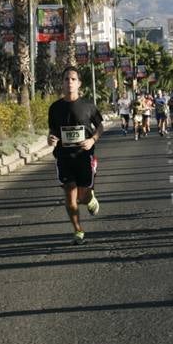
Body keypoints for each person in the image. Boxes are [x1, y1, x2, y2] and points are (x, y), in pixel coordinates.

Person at [47, 66, 104, 244]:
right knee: (70, 195)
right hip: (64, 157)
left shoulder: (88, 106)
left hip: (84, 157)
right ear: (62, 83)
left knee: (82, 196)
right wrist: (50, 139)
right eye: (66, 79)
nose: (69, 82)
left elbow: (100, 126)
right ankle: (78, 231)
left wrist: (92, 140)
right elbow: (53, 130)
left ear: (79, 83)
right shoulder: (55, 108)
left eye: (73, 79)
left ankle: (90, 198)